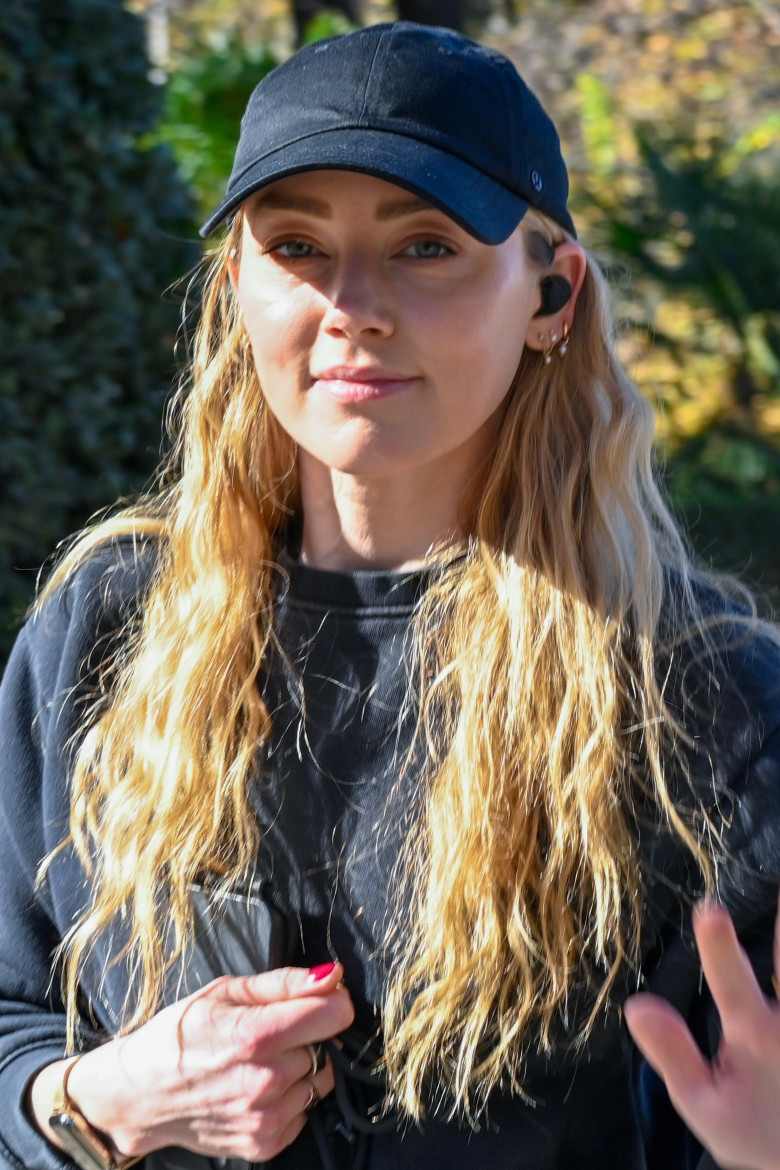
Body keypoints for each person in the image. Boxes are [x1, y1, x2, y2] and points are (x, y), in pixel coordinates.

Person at [0, 21, 779, 1170]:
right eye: (298, 245)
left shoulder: (705, 704)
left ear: (552, 295)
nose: (352, 304)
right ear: (237, 288)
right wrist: (93, 1101)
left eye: (426, 247)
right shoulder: (107, 630)